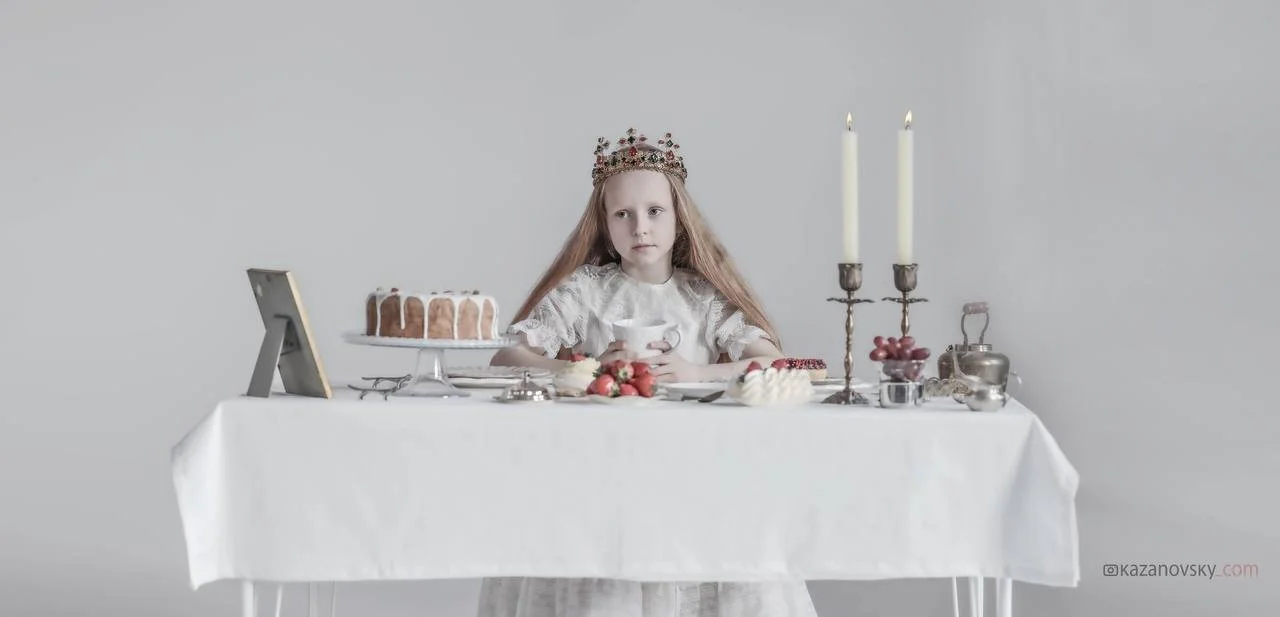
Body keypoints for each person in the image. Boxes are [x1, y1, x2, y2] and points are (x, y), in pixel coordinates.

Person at [479, 129, 818, 617]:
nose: (641, 227)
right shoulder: (586, 291)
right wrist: (588, 369)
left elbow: (779, 361)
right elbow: (507, 357)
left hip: (691, 470)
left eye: (654, 211)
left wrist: (696, 372)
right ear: (604, 224)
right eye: (624, 214)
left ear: (679, 219)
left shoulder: (701, 295)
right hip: (602, 470)